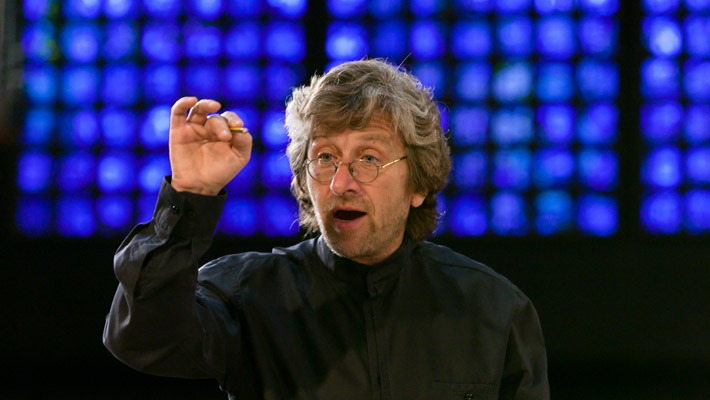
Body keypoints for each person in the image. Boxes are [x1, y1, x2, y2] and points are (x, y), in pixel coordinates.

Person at [103, 59, 549, 399]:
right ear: (302, 180)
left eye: (369, 158)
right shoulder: (247, 295)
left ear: (418, 184)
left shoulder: (494, 309)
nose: (341, 183)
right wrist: (191, 194)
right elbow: (141, 339)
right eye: (325, 158)